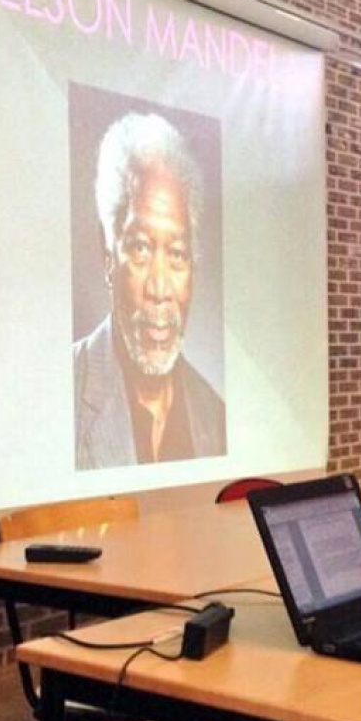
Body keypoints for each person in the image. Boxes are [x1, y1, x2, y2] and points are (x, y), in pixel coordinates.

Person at [73, 111, 226, 470]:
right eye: (140, 248)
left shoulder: (215, 415)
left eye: (176, 254)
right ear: (108, 254)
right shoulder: (61, 394)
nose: (160, 289)